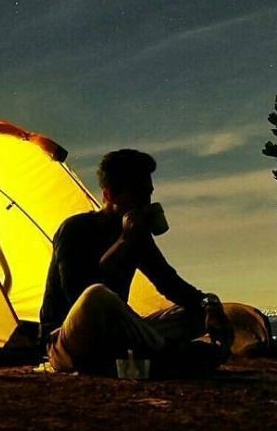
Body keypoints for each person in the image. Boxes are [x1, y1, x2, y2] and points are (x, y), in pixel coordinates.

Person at [39, 149, 233, 376]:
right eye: (139, 194)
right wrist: (124, 241)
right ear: (110, 195)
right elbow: (79, 296)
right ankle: (169, 356)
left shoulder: (139, 237)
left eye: (148, 194)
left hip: (116, 335)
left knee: (199, 312)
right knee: (96, 296)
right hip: (69, 340)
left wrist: (209, 304)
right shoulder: (75, 230)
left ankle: (150, 354)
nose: (146, 202)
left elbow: (171, 284)